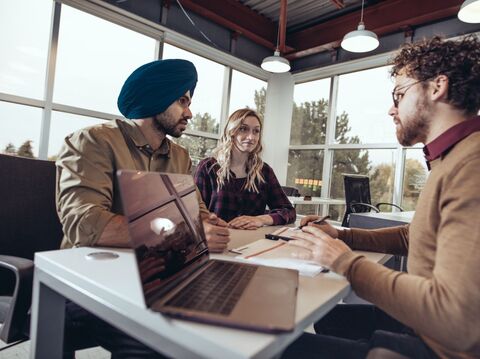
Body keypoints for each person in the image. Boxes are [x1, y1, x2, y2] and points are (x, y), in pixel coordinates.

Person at [282, 36, 480, 359]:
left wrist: (343, 262)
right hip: (425, 330)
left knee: (281, 348)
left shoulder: (472, 164)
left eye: (399, 94)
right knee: (325, 315)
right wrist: (342, 236)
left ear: (437, 87)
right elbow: (411, 235)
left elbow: (456, 320)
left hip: (436, 346)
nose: (392, 108)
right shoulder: (449, 158)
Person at [56, 59, 230, 358]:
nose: (189, 112)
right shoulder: (93, 141)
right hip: (89, 283)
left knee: (221, 324)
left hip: (159, 276)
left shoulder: (179, 156)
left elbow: (197, 214)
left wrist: (209, 223)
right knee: (166, 342)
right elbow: (84, 224)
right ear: (157, 97)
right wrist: (187, 232)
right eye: (182, 100)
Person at [194, 108, 296, 229]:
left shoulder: (264, 171)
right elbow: (194, 214)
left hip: (252, 244)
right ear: (231, 131)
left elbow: (289, 211)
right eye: (243, 129)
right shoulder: (208, 168)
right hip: (217, 241)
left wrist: (260, 219)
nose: (251, 137)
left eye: (256, 131)